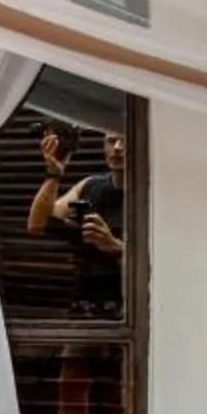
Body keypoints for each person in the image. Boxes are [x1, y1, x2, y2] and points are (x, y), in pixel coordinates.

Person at [28, 123, 126, 313]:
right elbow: (37, 224)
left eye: (125, 141)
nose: (117, 148)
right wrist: (54, 173)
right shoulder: (89, 186)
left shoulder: (153, 195)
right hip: (87, 303)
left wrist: (115, 247)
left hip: (132, 307)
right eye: (112, 141)